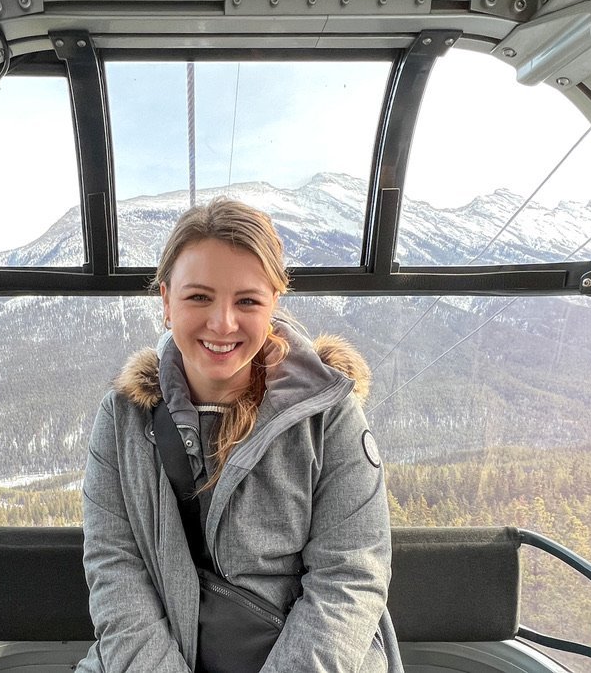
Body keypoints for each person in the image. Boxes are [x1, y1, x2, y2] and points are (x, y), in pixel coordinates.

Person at [76, 197, 403, 672]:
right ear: (166, 301)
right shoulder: (123, 418)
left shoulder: (327, 415)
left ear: (273, 304)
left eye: (247, 301)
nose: (222, 323)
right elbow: (116, 571)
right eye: (199, 297)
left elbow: (349, 577)